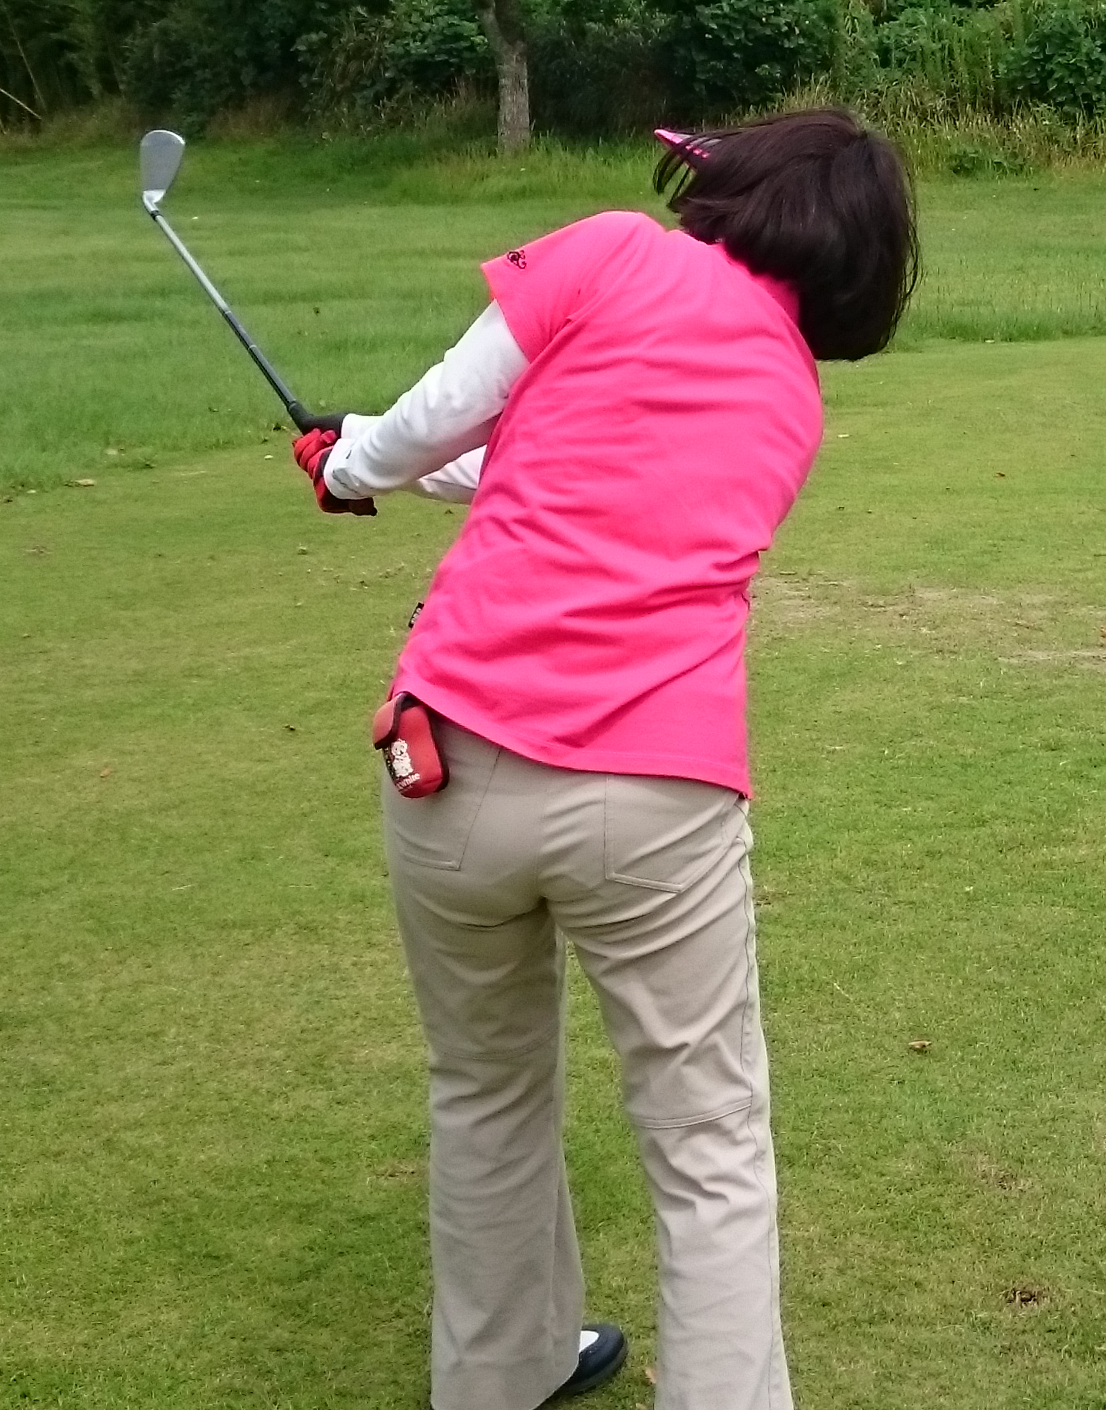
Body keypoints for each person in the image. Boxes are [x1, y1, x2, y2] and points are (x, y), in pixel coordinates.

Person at [288, 110, 916, 1410]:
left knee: (484, 1093)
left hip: (450, 768)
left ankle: (499, 1376)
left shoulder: (614, 252)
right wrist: (375, 452)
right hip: (656, 801)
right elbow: (531, 456)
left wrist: (351, 460)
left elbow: (450, 420)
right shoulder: (790, 395)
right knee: (707, 1142)